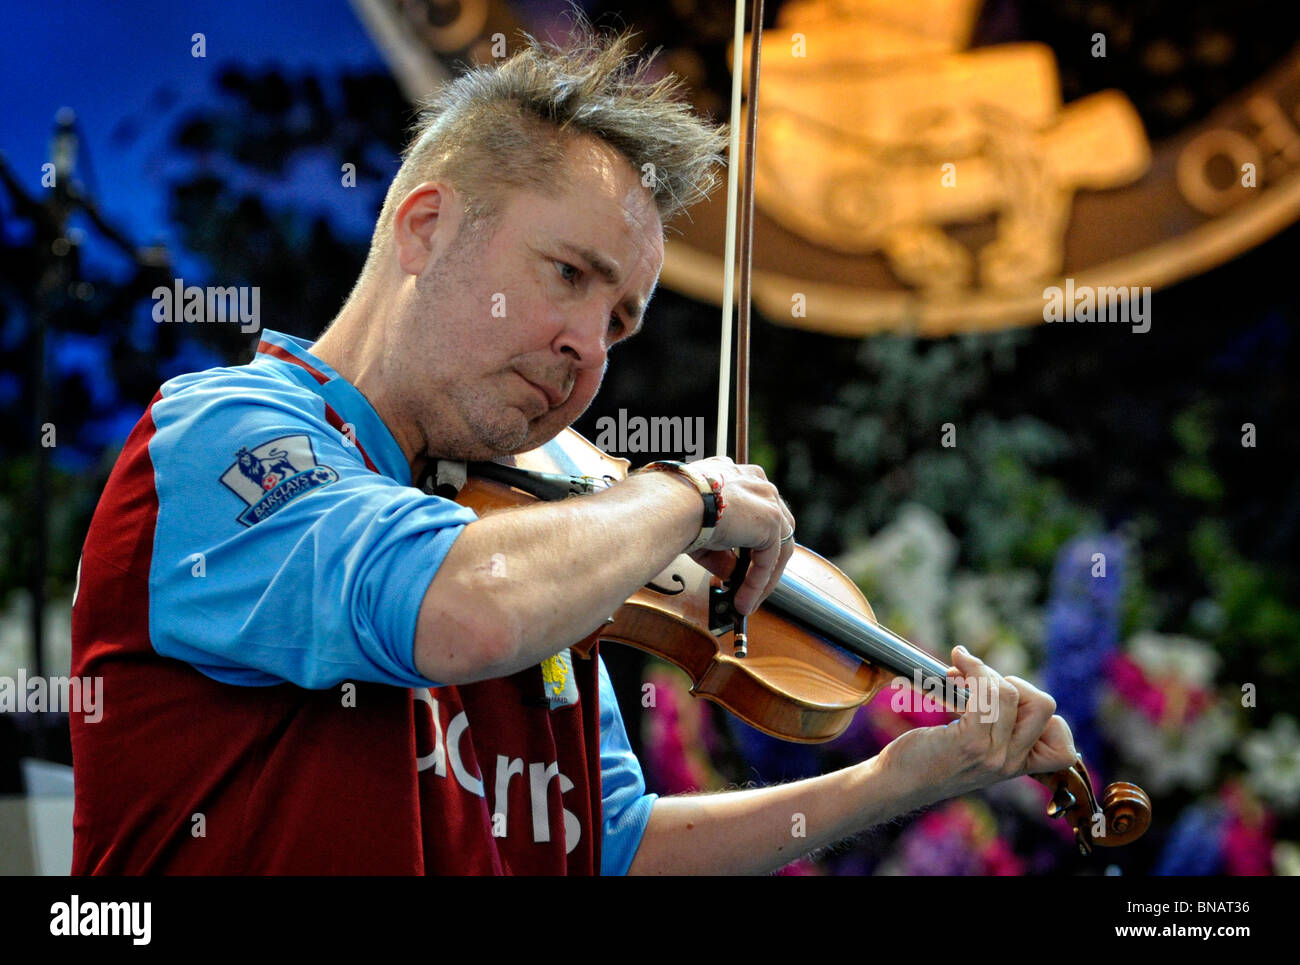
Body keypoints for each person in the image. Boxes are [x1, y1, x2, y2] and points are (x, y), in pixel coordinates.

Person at [69, 26, 1077, 875]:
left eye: (621, 320)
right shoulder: (224, 435)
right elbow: (460, 609)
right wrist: (685, 492)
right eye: (565, 273)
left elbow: (610, 841)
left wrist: (894, 779)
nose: (588, 348)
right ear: (425, 227)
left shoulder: (548, 529)